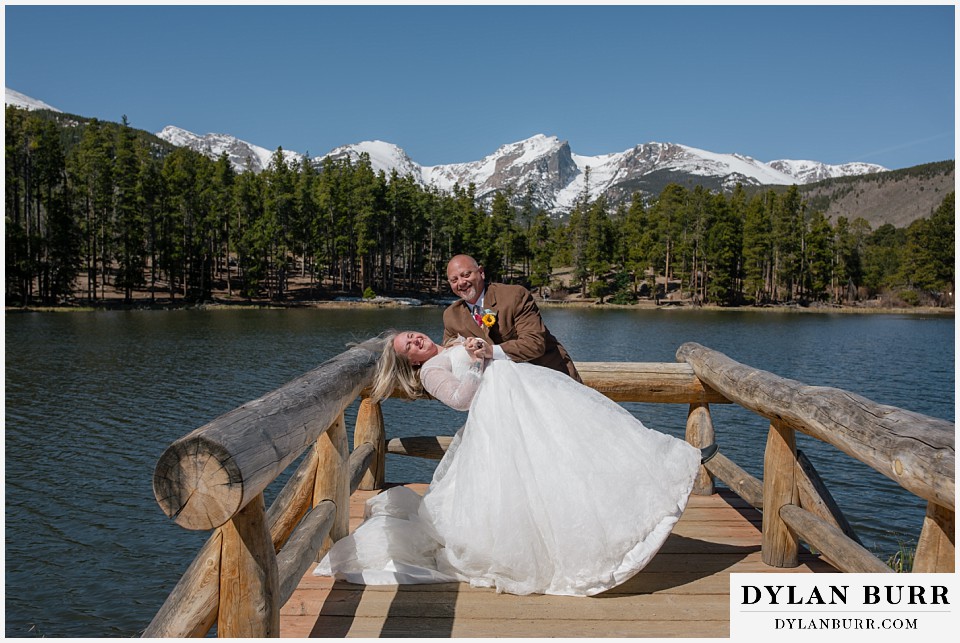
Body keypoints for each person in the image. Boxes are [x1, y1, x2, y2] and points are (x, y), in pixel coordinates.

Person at [314, 330, 709, 597]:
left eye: (412, 336)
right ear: (411, 363)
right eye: (409, 347)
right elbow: (461, 400)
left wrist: (476, 350)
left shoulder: (452, 341)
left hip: (531, 399)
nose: (417, 341)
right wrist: (479, 365)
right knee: (524, 483)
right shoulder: (433, 370)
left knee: (576, 457)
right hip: (502, 419)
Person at [443, 254, 581, 382]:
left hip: (550, 377)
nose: (461, 283)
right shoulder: (450, 315)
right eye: (454, 280)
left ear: (481, 272)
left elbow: (534, 344)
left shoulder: (515, 295)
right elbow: (448, 353)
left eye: (466, 275)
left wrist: (490, 351)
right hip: (503, 389)